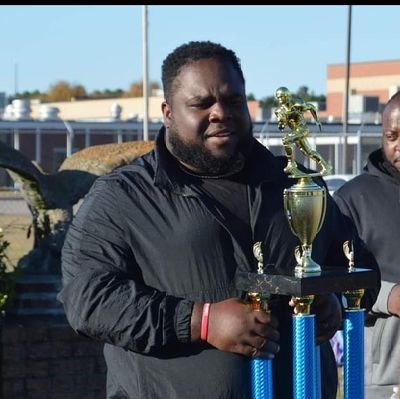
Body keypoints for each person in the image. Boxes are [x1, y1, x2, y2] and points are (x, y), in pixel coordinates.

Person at [58, 40, 361, 399]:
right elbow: (88, 300)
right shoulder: (122, 196)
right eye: (201, 104)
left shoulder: (297, 185)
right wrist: (200, 321)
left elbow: (350, 261)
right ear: (168, 112)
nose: (220, 112)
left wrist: (328, 300)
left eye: (233, 100)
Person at [333, 91, 400, 399]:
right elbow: (332, 279)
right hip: (382, 376)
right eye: (392, 136)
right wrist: (387, 296)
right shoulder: (352, 198)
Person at [274, 86, 332, 176]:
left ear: (287, 96)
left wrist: (317, 121)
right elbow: (281, 127)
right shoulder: (279, 111)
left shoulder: (297, 104)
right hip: (295, 131)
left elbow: (311, 107)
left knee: (286, 140)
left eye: (282, 96)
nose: (280, 99)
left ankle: (291, 164)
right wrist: (281, 123)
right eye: (278, 97)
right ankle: (326, 166)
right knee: (308, 152)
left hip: (302, 129)